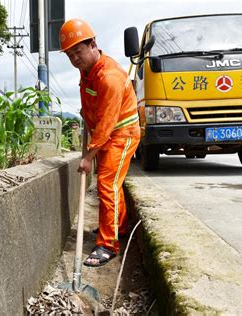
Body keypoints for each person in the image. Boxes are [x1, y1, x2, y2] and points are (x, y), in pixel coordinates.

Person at [59, 19, 141, 267]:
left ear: (93, 44)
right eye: (70, 55)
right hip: (105, 134)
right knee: (112, 183)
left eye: (78, 52)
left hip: (122, 134)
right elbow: (90, 111)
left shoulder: (109, 77)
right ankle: (120, 227)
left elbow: (106, 124)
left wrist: (87, 157)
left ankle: (108, 244)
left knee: (107, 183)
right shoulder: (87, 73)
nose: (75, 59)